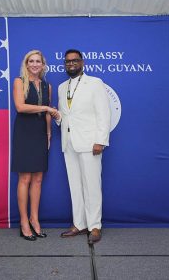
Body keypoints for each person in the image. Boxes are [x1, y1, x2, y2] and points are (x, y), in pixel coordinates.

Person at [52, 49, 111, 244]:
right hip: (68, 143)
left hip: (89, 143)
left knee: (92, 186)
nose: (71, 64)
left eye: (74, 61)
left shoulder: (95, 83)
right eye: (67, 62)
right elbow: (65, 115)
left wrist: (100, 140)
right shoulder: (62, 87)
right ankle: (79, 223)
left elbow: (104, 113)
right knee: (75, 186)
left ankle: (95, 226)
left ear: (82, 62)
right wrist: (56, 116)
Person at [11, 50, 57, 241]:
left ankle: (34, 219)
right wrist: (46, 108)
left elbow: (48, 115)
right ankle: (23, 222)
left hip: (40, 133)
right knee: (25, 179)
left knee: (38, 178)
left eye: (38, 61)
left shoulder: (48, 86)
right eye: (32, 61)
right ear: (26, 64)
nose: (35, 64)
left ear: (43, 64)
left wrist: (48, 134)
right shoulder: (19, 82)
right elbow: (20, 107)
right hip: (24, 132)